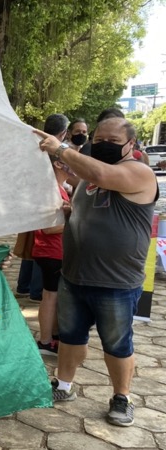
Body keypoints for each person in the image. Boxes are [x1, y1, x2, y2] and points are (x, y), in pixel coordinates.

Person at [35, 117, 158, 427]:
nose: (102, 144)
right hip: (74, 276)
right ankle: (63, 385)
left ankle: (122, 396)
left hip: (116, 282)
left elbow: (103, 173)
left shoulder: (138, 172)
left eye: (113, 141)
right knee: (71, 338)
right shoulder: (89, 181)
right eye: (99, 138)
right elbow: (84, 202)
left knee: (117, 344)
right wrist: (68, 211)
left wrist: (60, 148)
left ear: (132, 144)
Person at [33, 114, 72, 357]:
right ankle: (46, 341)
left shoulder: (57, 189)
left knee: (53, 297)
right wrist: (75, 223)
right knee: (50, 297)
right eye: (66, 160)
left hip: (53, 252)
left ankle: (52, 337)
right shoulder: (50, 190)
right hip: (50, 252)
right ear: (58, 164)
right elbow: (48, 228)